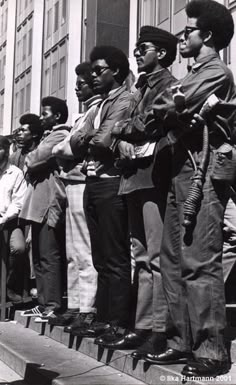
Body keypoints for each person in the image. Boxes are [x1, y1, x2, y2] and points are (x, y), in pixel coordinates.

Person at [144, 0, 236, 379]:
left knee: (199, 262)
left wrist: (173, 107)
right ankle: (180, 341)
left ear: (208, 36)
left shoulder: (216, 71)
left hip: (204, 171)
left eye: (189, 31)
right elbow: (158, 111)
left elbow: (163, 106)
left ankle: (212, 350)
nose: (183, 37)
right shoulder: (193, 75)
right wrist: (173, 107)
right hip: (182, 168)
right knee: (171, 261)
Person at [101, 26, 178, 357]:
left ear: (160, 53)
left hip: (152, 175)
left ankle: (160, 330)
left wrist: (118, 130)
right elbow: (129, 132)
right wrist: (122, 135)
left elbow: (145, 125)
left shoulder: (166, 84)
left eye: (142, 47)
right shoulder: (142, 85)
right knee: (142, 256)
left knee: (157, 257)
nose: (136, 52)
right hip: (133, 177)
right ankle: (144, 326)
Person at [70, 45, 132, 342]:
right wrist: (86, 139)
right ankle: (104, 317)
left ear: (116, 71)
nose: (93, 76)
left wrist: (86, 139)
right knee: (100, 258)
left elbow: (100, 143)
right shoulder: (102, 104)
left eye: (99, 71)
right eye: (92, 72)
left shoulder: (125, 99)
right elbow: (79, 143)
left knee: (115, 256)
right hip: (94, 183)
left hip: (111, 184)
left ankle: (118, 321)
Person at [51, 62, 102, 330]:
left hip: (83, 183)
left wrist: (64, 148)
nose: (76, 88)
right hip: (72, 183)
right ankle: (74, 304)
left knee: (84, 249)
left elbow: (69, 149)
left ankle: (88, 307)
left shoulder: (96, 109)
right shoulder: (84, 114)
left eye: (82, 83)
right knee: (72, 251)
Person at [20, 97, 70, 322]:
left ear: (57, 116)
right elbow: (29, 163)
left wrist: (34, 159)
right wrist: (33, 160)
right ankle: (42, 302)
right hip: (36, 205)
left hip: (49, 203)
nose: (41, 117)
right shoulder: (48, 137)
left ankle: (52, 305)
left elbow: (33, 159)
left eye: (45, 113)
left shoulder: (60, 134)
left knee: (49, 255)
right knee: (38, 257)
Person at [0, 135, 27, 304]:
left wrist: (3, 218)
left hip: (9, 222)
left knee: (18, 248)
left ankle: (9, 286)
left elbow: (18, 202)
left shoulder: (16, 173)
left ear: (6, 150)